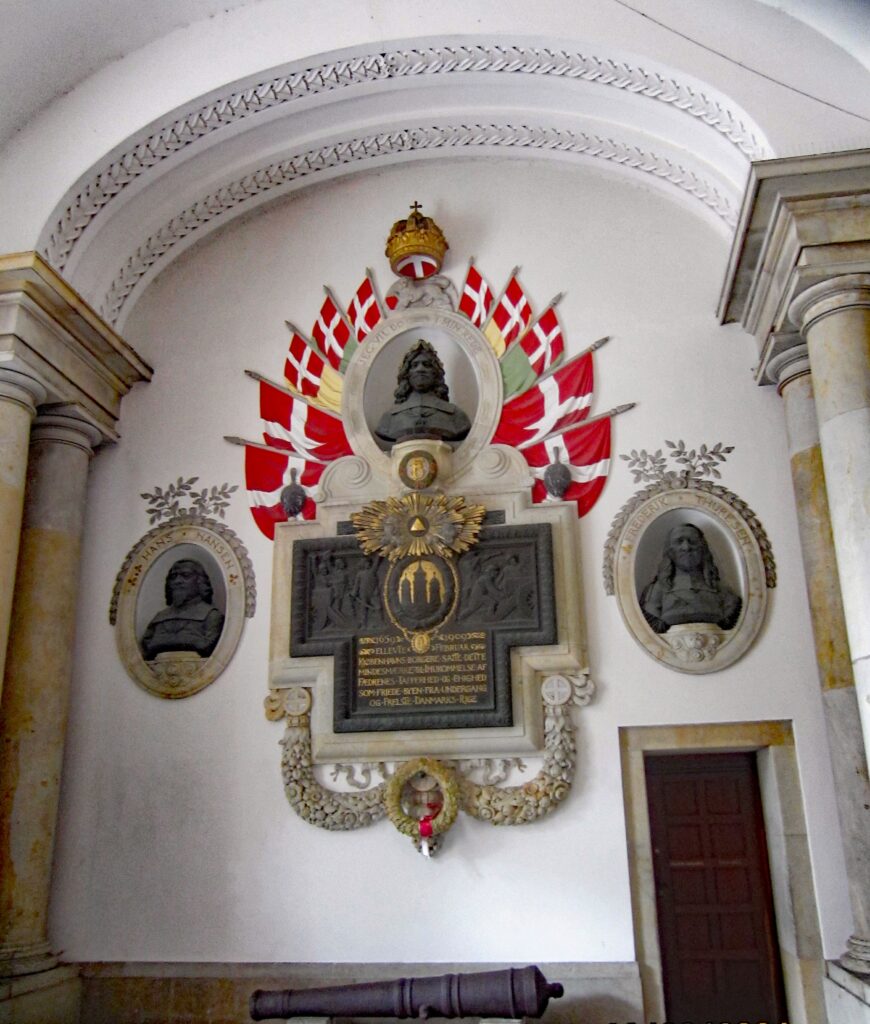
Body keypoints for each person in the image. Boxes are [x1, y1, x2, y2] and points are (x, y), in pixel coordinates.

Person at [639, 523, 741, 633]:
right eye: (679, 542)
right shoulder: (655, 592)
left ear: (703, 548)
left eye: (693, 541)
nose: (686, 547)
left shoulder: (723, 591)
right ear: (669, 551)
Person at [375, 340, 471, 446]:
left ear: (435, 373)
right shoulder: (389, 419)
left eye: (427, 365)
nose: (420, 369)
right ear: (407, 374)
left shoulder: (456, 416)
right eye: (414, 365)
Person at [140, 558, 225, 660]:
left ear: (200, 581)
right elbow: (147, 646)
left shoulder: (211, 616)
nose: (178, 581)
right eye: (173, 577)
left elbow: (206, 645)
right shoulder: (159, 617)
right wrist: (191, 640)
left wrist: (162, 642)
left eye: (186, 575)